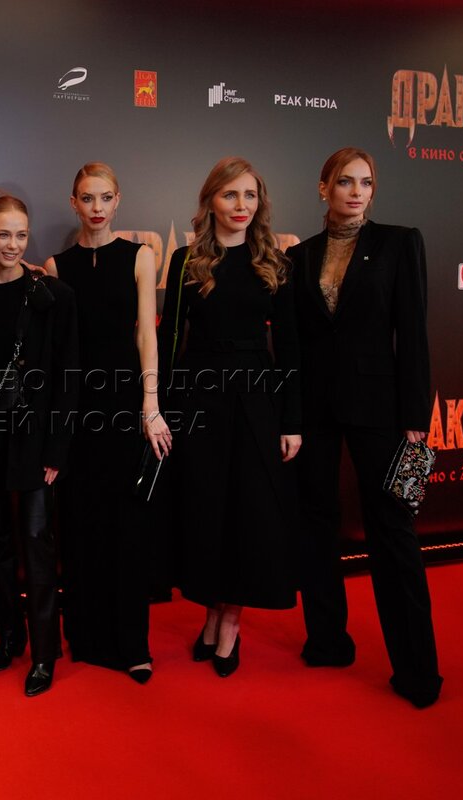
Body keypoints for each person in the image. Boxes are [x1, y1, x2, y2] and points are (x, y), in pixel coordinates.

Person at [287, 146, 441, 708]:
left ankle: (418, 672)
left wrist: (416, 420)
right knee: (315, 525)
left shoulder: (401, 242)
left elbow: (413, 334)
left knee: (393, 531)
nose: (357, 192)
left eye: (366, 183)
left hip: (384, 412)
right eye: (345, 182)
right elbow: (295, 347)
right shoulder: (299, 256)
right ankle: (327, 640)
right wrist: (291, 416)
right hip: (315, 411)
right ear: (323, 188)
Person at [158, 157, 301, 678]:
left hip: (257, 402)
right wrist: (161, 410)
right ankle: (211, 612)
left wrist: (292, 420)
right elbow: (170, 339)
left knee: (248, 514)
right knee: (207, 511)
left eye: (250, 195)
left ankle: (230, 624)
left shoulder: (275, 263)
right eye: (230, 195)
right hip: (199, 399)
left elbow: (290, 349)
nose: (241, 205)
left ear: (260, 203)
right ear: (211, 201)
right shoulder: (185, 261)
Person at [44, 162, 169, 682]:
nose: (96, 207)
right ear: (73, 203)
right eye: (87, 198)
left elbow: (146, 333)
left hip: (124, 402)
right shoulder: (57, 265)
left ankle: (132, 644)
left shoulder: (140, 256)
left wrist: (150, 404)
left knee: (128, 527)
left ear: (117, 201)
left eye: (105, 197)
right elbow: (55, 347)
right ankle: (87, 636)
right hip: (75, 408)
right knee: (80, 524)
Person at [0, 194, 78, 696]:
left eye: (21, 235)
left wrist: (57, 450)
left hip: (35, 440)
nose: (13, 245)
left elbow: (68, 377)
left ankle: (44, 653)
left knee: (37, 544)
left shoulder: (53, 295)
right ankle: (9, 637)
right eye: (3, 234)